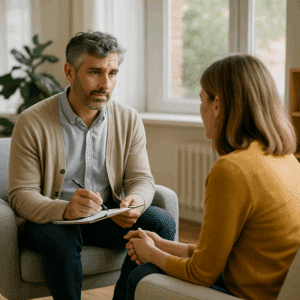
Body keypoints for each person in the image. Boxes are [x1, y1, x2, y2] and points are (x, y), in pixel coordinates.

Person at [8, 31, 175, 300]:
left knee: (160, 223)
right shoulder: (32, 122)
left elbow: (142, 179)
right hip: (51, 218)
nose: (105, 84)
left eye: (112, 73)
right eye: (95, 72)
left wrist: (135, 202)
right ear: (70, 72)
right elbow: (20, 195)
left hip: (105, 215)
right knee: (62, 240)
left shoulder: (128, 119)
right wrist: (66, 210)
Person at [124, 53, 300, 300]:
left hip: (247, 293)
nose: (201, 109)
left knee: (140, 275)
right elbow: (221, 252)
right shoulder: (287, 158)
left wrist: (151, 254)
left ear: (217, 105)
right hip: (267, 285)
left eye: (201, 100)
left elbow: (202, 273)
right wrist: (160, 244)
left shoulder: (232, 170)